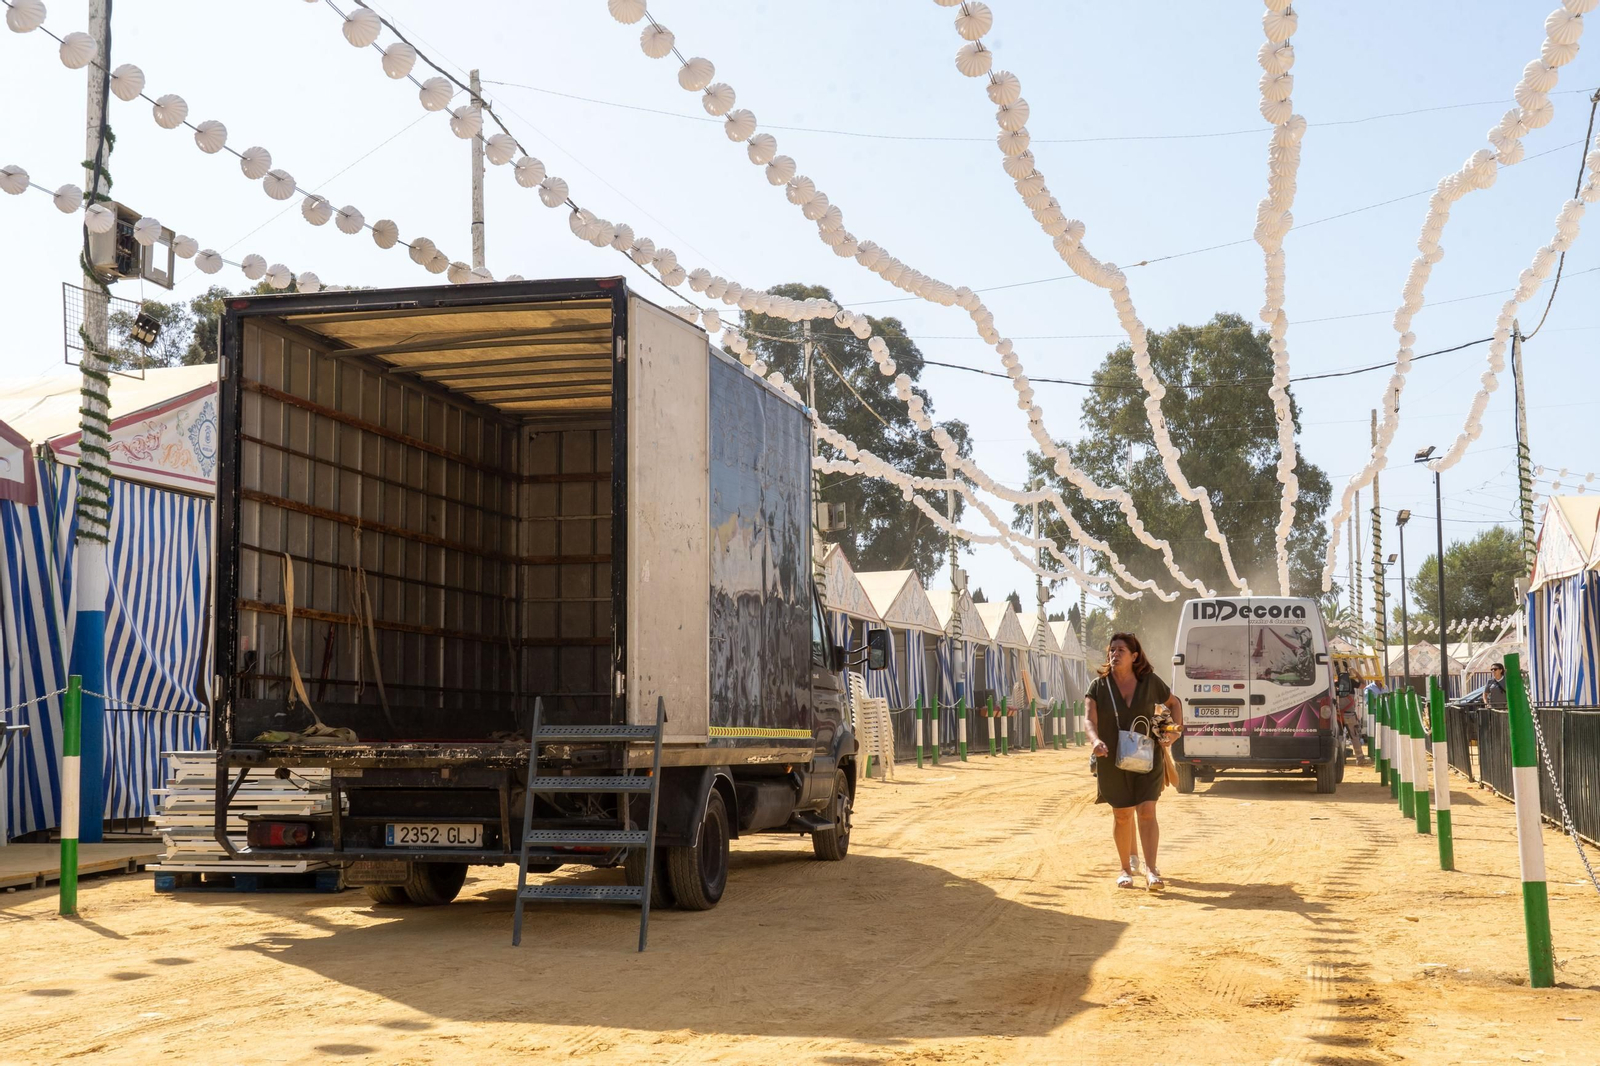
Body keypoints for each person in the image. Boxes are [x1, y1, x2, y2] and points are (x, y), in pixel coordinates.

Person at [1085, 632, 1183, 891]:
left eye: (1121, 650)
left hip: (1147, 757)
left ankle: (1151, 870)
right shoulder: (1098, 686)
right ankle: (1125, 870)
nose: (1114, 654)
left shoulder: (1149, 682)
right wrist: (1095, 740)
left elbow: (1174, 703)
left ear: (1134, 656)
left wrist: (1173, 733)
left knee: (1147, 811)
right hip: (1111, 758)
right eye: (1112, 650)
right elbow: (1088, 720)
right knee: (1122, 815)